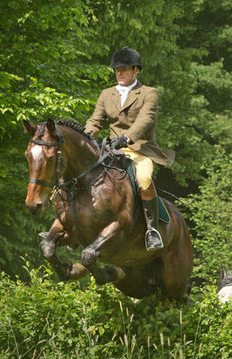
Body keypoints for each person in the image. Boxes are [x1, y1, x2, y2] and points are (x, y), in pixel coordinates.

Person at [85, 46, 175, 250]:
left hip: (139, 149)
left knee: (143, 179)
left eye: (124, 69)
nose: (120, 73)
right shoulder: (107, 94)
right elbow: (96, 120)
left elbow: (146, 119)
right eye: (117, 70)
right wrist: (88, 132)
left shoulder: (148, 93)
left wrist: (127, 137)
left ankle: (152, 230)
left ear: (136, 71)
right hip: (111, 150)